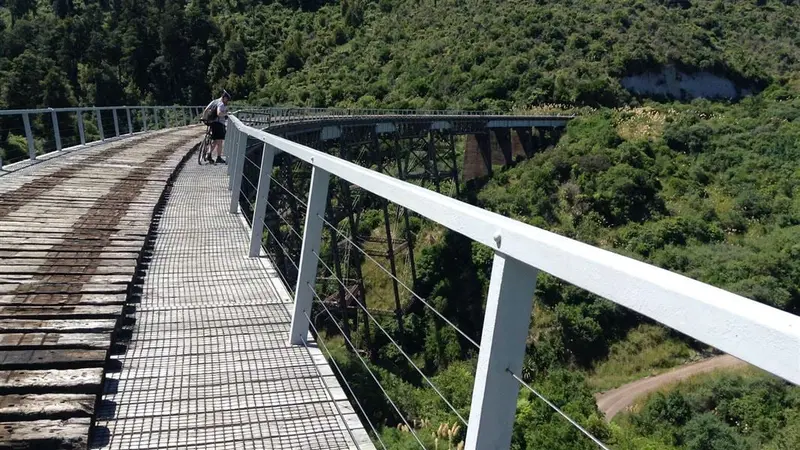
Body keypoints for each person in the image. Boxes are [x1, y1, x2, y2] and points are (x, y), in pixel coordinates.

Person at [202, 90, 231, 164]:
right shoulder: (221, 104)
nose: (227, 101)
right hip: (219, 124)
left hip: (212, 122)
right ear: (224, 98)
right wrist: (226, 113)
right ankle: (218, 157)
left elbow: (206, 110)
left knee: (215, 140)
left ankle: (209, 154)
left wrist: (204, 118)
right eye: (227, 99)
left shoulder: (214, 101)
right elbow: (219, 113)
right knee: (220, 142)